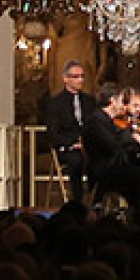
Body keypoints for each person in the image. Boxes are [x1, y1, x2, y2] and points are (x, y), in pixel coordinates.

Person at [42, 60, 101, 202]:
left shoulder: (90, 101)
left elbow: (96, 126)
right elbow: (53, 132)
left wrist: (88, 142)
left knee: (99, 161)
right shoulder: (55, 103)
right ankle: (78, 201)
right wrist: (74, 143)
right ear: (65, 78)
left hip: (88, 146)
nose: (80, 80)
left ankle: (95, 199)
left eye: (82, 76)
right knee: (76, 161)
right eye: (75, 77)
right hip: (68, 148)